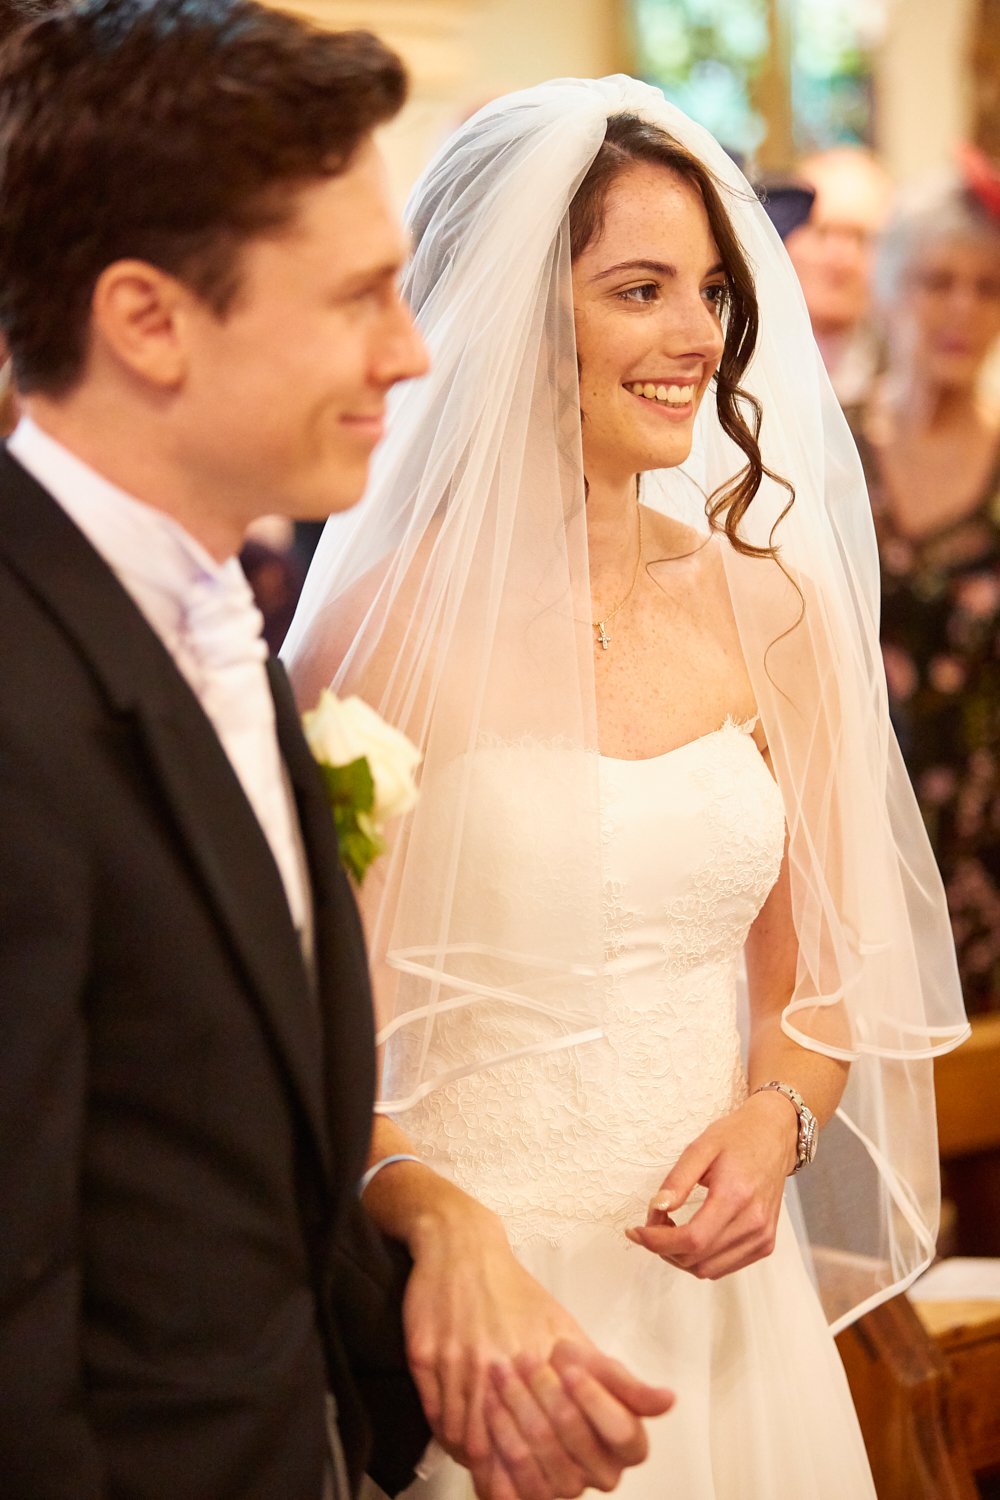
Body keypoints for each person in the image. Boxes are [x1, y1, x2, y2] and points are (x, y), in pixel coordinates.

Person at [0, 10, 671, 1499]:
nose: (413, 348)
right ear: (149, 318)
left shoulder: (220, 621)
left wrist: (431, 1360)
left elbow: (239, 1159)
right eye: (361, 294)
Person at [284, 77, 970, 1499]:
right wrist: (446, 1229)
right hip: (488, 1315)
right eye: (639, 289)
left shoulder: (769, 606)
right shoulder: (378, 636)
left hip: (724, 1312)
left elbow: (823, 979)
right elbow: (320, 1048)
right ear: (511, 313)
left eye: (710, 291)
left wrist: (775, 1121)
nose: (694, 337)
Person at [845, 180, 1000, 1019]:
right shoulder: (823, 450)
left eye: (987, 287)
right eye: (937, 281)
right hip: (855, 856)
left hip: (988, 874)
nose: (961, 310)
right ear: (889, 290)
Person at [784, 146, 893, 407]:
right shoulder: (737, 362)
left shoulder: (911, 370)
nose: (840, 259)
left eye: (861, 237)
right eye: (822, 232)